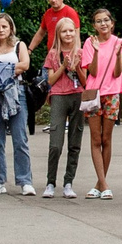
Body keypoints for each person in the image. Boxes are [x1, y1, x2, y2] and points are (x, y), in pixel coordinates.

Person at [77, 9, 122, 200]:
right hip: (94, 93)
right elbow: (93, 71)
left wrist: (119, 55)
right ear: (94, 25)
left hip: (112, 93)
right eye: (99, 21)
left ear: (112, 23)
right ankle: (103, 183)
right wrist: (96, 52)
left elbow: (117, 73)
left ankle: (100, 184)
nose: (103, 24)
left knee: (107, 139)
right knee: (95, 139)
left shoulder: (121, 43)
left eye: (106, 20)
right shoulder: (90, 42)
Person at [0, 11, 32, 196]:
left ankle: (25, 180)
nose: (1, 30)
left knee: (20, 139)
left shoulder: (19, 46)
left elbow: (25, 64)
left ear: (10, 28)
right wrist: (11, 69)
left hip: (16, 93)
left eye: (4, 26)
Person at [39, 15, 84, 197]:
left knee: (75, 142)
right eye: (64, 31)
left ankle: (68, 182)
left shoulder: (80, 52)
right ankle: (50, 182)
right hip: (58, 96)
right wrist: (63, 66)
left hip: (77, 95)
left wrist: (77, 67)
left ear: (75, 32)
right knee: (56, 144)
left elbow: (85, 81)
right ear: (58, 33)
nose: (68, 34)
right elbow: (50, 79)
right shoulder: (53, 53)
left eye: (71, 31)